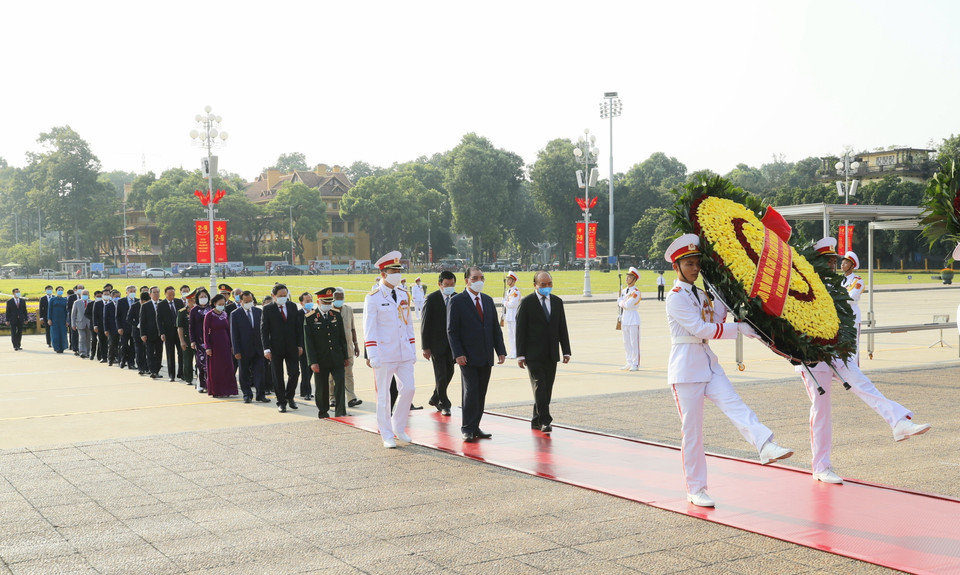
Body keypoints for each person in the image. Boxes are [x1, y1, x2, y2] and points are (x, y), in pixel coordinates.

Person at [663, 233, 793, 508]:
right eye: (689, 264)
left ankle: (765, 445)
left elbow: (716, 318)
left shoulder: (700, 293)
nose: (695, 269)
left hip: (708, 363)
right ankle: (696, 489)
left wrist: (725, 295)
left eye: (697, 263)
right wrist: (739, 328)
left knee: (736, 405)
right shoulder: (675, 298)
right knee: (692, 433)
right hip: (686, 370)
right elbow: (701, 328)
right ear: (676, 267)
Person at [797, 238, 931, 485]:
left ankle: (898, 421)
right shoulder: (802, 283)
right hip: (813, 358)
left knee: (862, 383)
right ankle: (820, 466)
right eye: (829, 261)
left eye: (834, 260)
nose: (834, 264)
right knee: (821, 411)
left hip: (836, 350)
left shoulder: (836, 283)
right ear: (816, 262)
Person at [363, 251, 417, 448]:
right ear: (383, 274)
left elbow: (408, 323)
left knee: (409, 389)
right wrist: (372, 354)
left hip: (404, 351)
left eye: (399, 271)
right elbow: (369, 328)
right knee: (384, 396)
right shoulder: (373, 298)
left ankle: (398, 426)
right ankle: (386, 433)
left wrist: (412, 348)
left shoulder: (403, 294)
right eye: (393, 272)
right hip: (384, 354)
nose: (397, 275)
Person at [447, 266, 506, 442]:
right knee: (471, 391)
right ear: (467, 280)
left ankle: (476, 426)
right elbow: (452, 331)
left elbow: (495, 328)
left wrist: (500, 350)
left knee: (481, 392)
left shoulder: (487, 300)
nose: (479, 281)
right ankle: (467, 427)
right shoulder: (457, 301)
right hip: (467, 356)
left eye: (481, 278)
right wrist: (458, 353)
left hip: (485, 354)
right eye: (475, 278)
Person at [515, 271, 571, 434]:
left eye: (549, 284)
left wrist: (566, 351)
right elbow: (520, 330)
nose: (547, 287)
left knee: (547, 388)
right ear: (535, 285)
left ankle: (536, 419)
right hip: (533, 354)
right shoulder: (527, 302)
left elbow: (562, 327)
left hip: (551, 353)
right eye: (543, 284)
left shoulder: (557, 302)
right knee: (539, 385)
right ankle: (546, 421)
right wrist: (520, 355)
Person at [304, 288, 350, 418]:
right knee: (321, 387)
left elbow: (342, 338)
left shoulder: (335, 315)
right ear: (318, 301)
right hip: (320, 359)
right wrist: (313, 362)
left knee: (340, 384)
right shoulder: (310, 318)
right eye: (325, 302)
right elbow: (309, 342)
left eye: (330, 302)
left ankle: (340, 412)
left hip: (337, 357)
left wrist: (345, 356)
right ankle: (323, 411)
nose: (328, 305)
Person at [261, 283, 303, 413]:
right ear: (273, 296)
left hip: (292, 346)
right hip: (275, 348)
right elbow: (264, 330)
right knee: (277, 376)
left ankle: (290, 397)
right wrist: (266, 349)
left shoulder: (292, 306)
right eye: (280, 296)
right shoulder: (268, 309)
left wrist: (300, 345)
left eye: (285, 295)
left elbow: (298, 327)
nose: (283, 298)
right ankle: (281, 402)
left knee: (295, 373)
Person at [422, 271, 458, 416]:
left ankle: (435, 397)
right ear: (440, 284)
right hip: (436, 345)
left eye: (452, 284)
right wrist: (425, 347)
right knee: (441, 375)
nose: (449, 287)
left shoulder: (457, 298)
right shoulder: (432, 299)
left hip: (452, 345)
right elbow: (425, 324)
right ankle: (444, 403)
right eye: (446, 284)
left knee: (450, 372)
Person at [231, 290, 268, 403]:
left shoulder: (258, 312)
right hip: (243, 349)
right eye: (246, 301)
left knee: (260, 373)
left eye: (250, 301)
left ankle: (261, 394)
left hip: (258, 349)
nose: (249, 303)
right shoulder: (235, 314)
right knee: (244, 373)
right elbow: (234, 334)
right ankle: (247, 394)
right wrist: (236, 350)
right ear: (241, 301)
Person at [330, 287, 362, 408]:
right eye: (337, 298)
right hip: (334, 349)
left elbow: (352, 328)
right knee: (332, 376)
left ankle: (351, 398)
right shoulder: (329, 311)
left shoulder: (348, 310)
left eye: (341, 298)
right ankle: (332, 398)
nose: (339, 300)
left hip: (348, 347)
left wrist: (356, 344)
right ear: (333, 298)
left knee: (349, 374)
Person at [203, 294, 239, 398]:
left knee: (227, 367)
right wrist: (208, 347)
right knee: (216, 368)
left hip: (225, 344)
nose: (222, 306)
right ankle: (217, 390)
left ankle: (228, 389)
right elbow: (205, 332)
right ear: (215, 303)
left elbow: (228, 330)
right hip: (214, 345)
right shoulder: (209, 315)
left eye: (223, 304)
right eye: (220, 304)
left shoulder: (225, 314)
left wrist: (231, 345)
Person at [840, 250, 865, 361]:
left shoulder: (857, 281)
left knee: (853, 346)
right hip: (841, 317)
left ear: (852, 266)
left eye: (846, 263)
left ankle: (854, 368)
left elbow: (851, 297)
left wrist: (838, 297)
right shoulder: (840, 280)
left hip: (852, 317)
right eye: (842, 263)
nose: (842, 265)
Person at [157, 286, 184, 382]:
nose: (171, 297)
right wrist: (162, 333)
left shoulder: (179, 302)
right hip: (168, 333)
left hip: (179, 332)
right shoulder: (161, 305)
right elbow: (159, 320)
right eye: (169, 295)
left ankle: (181, 373)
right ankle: (171, 375)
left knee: (181, 353)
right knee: (170, 354)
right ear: (165, 294)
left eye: (173, 295)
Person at [618, 267, 642, 371]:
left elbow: (628, 304)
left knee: (634, 343)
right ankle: (629, 362)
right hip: (625, 318)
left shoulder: (636, 292)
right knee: (626, 342)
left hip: (633, 318)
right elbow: (623, 305)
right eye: (627, 276)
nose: (627, 278)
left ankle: (635, 363)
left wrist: (620, 301)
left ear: (634, 279)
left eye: (629, 277)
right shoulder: (624, 291)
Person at [189, 288, 213, 393]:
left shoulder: (212, 308)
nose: (203, 298)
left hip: (211, 340)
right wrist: (192, 340)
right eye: (201, 297)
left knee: (210, 364)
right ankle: (201, 384)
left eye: (205, 296)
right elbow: (191, 327)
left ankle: (210, 384)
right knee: (201, 363)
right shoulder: (194, 310)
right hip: (199, 341)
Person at [139, 286, 164, 379]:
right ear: (150, 294)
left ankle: (156, 370)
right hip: (149, 334)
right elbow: (142, 321)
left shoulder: (162, 304)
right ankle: (152, 370)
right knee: (150, 353)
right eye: (154, 292)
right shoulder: (145, 306)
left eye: (158, 292)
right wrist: (143, 334)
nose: (156, 294)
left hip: (160, 334)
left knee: (159, 353)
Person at [296, 292, 314, 401]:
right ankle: (307, 392)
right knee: (305, 370)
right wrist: (298, 346)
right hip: (303, 347)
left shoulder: (315, 313)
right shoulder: (298, 315)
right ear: (301, 303)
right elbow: (296, 332)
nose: (309, 303)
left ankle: (304, 389)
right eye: (307, 301)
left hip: (314, 347)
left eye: (311, 300)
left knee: (311, 370)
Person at [177, 289, 196, 386]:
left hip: (198, 339)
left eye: (194, 300)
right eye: (191, 300)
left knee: (200, 360)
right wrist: (182, 341)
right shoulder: (182, 312)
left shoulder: (199, 310)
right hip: (187, 339)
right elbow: (180, 328)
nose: (193, 302)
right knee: (187, 360)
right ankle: (188, 378)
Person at [116, 285, 136, 369]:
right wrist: (119, 327)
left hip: (134, 328)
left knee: (133, 346)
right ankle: (122, 360)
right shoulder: (121, 301)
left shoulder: (137, 301)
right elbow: (118, 316)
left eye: (134, 291)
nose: (132, 293)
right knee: (124, 345)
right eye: (130, 291)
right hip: (124, 328)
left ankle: (131, 362)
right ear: (126, 292)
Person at [503, 271, 521, 359]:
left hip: (514, 316)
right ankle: (512, 352)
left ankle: (516, 352)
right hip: (509, 316)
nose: (507, 281)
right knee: (510, 335)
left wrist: (505, 303)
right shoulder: (508, 291)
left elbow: (512, 304)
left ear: (513, 281)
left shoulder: (516, 291)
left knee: (515, 335)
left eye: (509, 279)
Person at [128, 290, 146, 374]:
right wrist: (137, 324)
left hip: (147, 331)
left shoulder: (149, 306)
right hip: (137, 332)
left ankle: (147, 367)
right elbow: (129, 319)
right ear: (141, 300)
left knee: (147, 351)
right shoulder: (134, 306)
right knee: (139, 350)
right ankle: (140, 368)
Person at [71, 289, 92, 358]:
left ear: (88, 295)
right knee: (82, 337)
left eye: (86, 294)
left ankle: (87, 352)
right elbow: (73, 314)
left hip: (89, 323)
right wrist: (73, 324)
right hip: (80, 323)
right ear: (80, 295)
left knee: (88, 338)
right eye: (83, 294)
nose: (85, 296)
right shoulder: (76, 302)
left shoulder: (91, 302)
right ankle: (82, 352)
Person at [48, 286, 69, 353]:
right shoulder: (52, 299)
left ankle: (63, 347)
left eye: (61, 290)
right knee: (55, 334)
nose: (60, 291)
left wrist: (67, 320)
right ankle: (57, 348)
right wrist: (49, 319)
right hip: (54, 319)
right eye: (59, 290)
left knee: (63, 333)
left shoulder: (65, 300)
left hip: (63, 319)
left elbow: (67, 311)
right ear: (56, 291)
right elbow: (49, 310)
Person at [90, 290, 108, 363]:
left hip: (109, 326)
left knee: (111, 342)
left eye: (108, 294)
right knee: (102, 342)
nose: (106, 296)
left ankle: (111, 356)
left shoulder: (111, 303)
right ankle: (103, 357)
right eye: (105, 294)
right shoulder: (97, 304)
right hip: (100, 326)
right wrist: (95, 325)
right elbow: (95, 316)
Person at [104, 290, 121, 366]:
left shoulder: (121, 304)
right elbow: (105, 318)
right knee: (112, 345)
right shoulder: (108, 306)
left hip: (120, 328)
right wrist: (106, 329)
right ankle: (110, 359)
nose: (117, 298)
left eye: (119, 296)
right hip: (112, 328)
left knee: (120, 345)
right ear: (112, 297)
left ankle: (120, 359)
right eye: (116, 296)